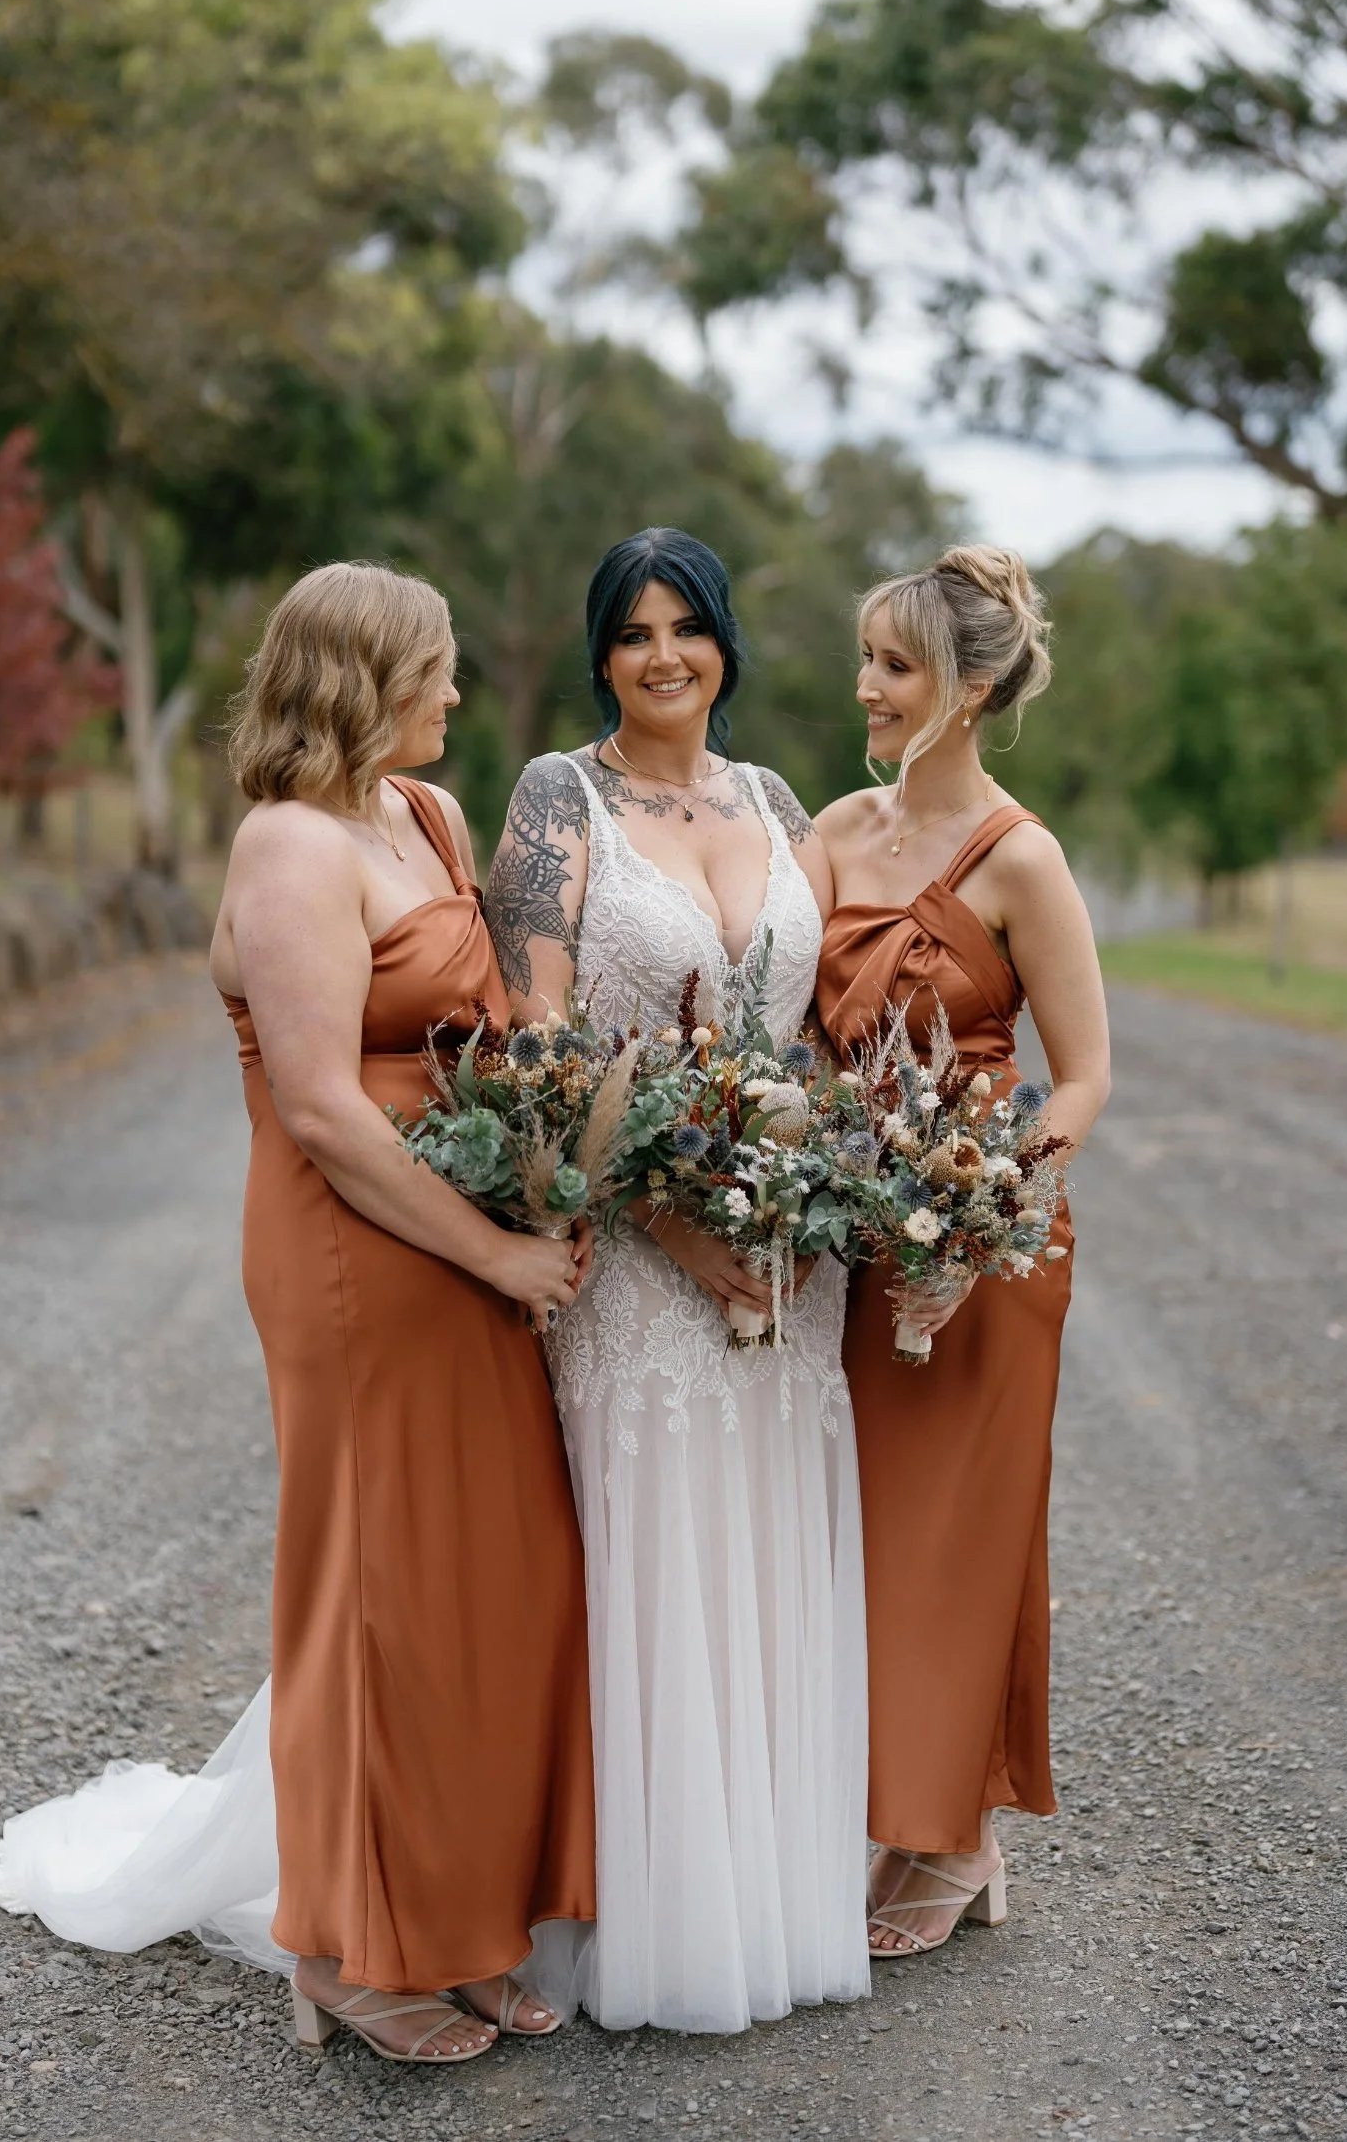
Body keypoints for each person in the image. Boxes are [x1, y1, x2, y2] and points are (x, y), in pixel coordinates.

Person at [0, 563, 596, 2068]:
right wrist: (492, 1262)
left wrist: (548, 1177)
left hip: (466, 1217)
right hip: (358, 1250)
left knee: (499, 1578)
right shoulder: (290, 849)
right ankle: (348, 1945)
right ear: (360, 679)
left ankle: (464, 1918)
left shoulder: (422, 818)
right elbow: (322, 1112)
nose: (457, 694)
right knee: (376, 1595)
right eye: (435, 667)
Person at [486, 527, 870, 2034]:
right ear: (601, 653)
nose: (663, 656)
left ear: (722, 642)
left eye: (687, 626)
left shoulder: (776, 802)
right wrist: (673, 1222)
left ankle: (769, 1896)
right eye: (633, 632)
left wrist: (837, 1185)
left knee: (768, 1546)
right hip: (639, 1272)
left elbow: (818, 1037)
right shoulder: (553, 800)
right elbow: (539, 1055)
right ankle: (642, 1920)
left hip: (791, 1256)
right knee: (654, 1562)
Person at [813, 544, 1111, 1958]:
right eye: (866, 660)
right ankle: (897, 1809)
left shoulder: (1021, 859)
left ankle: (951, 1840)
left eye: (895, 666)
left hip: (978, 1250)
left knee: (958, 1539)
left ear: (973, 686)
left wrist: (988, 1214)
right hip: (842, 1244)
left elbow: (1084, 1078)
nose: (864, 688)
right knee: (861, 1537)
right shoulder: (826, 834)